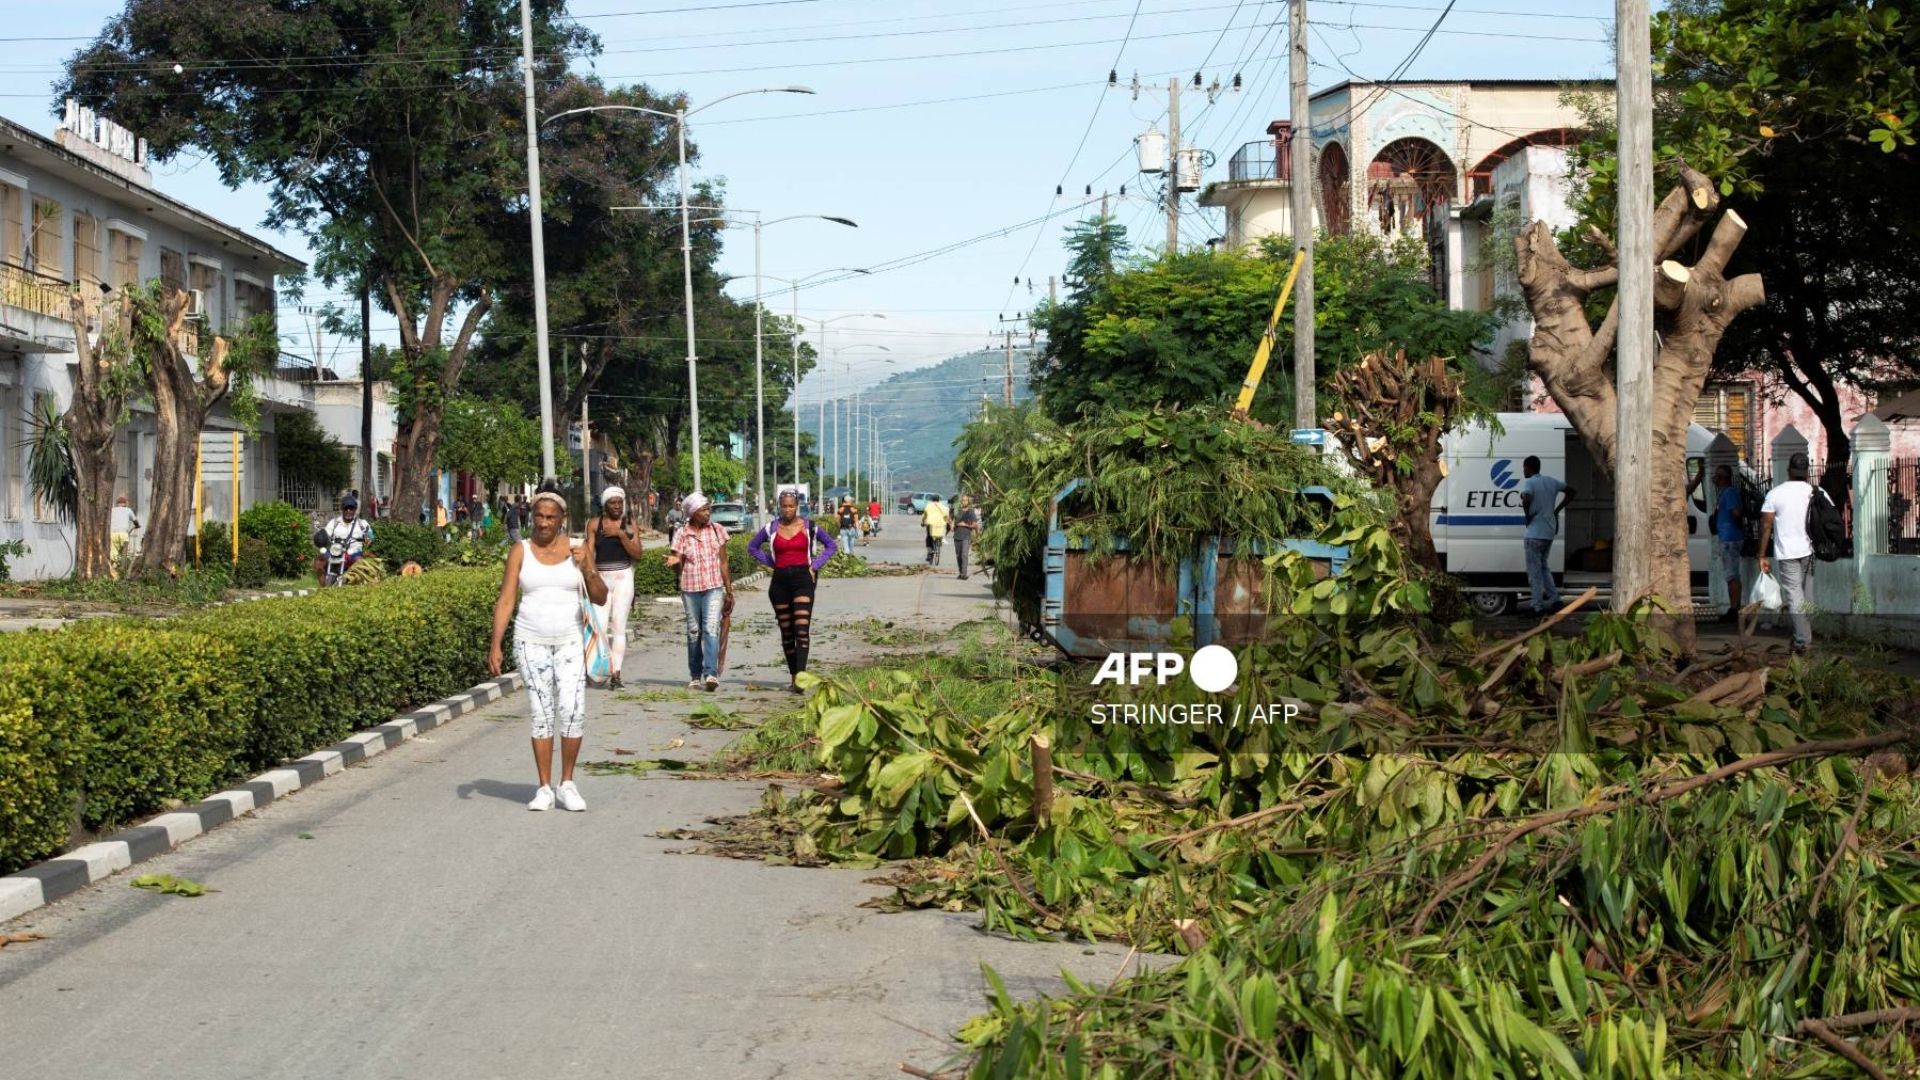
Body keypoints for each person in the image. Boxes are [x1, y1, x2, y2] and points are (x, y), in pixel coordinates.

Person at [488, 482, 607, 812]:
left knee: (572, 710)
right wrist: (495, 644)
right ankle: (543, 788)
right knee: (541, 713)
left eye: (550, 517)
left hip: (571, 640)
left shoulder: (578, 549)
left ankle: (567, 784)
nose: (543, 522)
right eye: (538, 516)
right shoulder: (520, 551)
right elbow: (506, 599)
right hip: (530, 642)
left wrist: (587, 567)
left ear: (561, 520)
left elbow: (600, 596)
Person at [747, 490, 839, 693]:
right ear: (779, 507)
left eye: (791, 506)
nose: (788, 509)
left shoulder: (809, 527)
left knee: (801, 630)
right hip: (779, 584)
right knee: (787, 632)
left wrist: (815, 566)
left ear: (797, 506)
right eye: (784, 506)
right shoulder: (771, 528)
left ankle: (801, 678)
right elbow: (752, 547)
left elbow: (831, 546)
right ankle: (793, 675)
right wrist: (772, 562)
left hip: (803, 581)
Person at [666, 493, 732, 691]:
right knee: (694, 631)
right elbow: (677, 561)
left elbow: (723, 562)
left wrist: (729, 590)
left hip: (713, 587)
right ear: (692, 513)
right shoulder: (681, 533)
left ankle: (711, 674)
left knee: (711, 628)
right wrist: (675, 562)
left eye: (708, 509)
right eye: (703, 510)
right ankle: (695, 675)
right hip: (690, 588)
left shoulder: (717, 530)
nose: (707, 513)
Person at [1758, 452, 1817, 655]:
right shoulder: (1816, 492)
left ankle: (1803, 641)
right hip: (1810, 551)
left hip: (1787, 553)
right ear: (1807, 471)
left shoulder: (1775, 494)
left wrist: (1761, 555)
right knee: (1807, 598)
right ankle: (1801, 636)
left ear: (1788, 470)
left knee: (1795, 597)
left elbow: (1766, 526)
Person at [586, 485, 643, 689]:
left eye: (620, 502)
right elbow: (589, 554)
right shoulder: (595, 524)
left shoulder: (629, 524)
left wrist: (620, 534)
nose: (617, 506)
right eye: (613, 502)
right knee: (599, 626)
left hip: (622, 578)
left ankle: (616, 674)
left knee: (618, 626)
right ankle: (600, 668)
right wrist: (590, 578)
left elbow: (637, 554)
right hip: (601, 578)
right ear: (605, 505)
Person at [1518, 456, 1574, 617]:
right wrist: (1557, 510)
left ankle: (1536, 607)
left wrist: (1528, 516)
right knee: (1543, 567)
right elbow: (1571, 492)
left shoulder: (1529, 482)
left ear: (1529, 468)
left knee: (1534, 572)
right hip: (1548, 532)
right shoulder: (1552, 482)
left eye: (1524, 467)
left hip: (1534, 533)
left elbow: (1526, 499)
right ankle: (1555, 600)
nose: (1523, 470)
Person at [1705, 464, 1745, 622]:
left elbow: (1736, 512)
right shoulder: (1723, 493)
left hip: (1730, 539)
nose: (1714, 479)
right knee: (1731, 574)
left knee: (1731, 575)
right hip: (1727, 537)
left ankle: (1734, 609)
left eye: (1717, 476)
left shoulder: (1729, 493)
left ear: (1723, 478)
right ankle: (1734, 607)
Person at [314, 494, 375, 584]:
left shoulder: (362, 524)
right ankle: (323, 587)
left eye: (351, 508)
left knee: (360, 562)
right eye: (346, 508)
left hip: (354, 553)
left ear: (355, 509)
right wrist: (320, 538)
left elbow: (370, 536)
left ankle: (358, 586)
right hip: (335, 552)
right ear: (342, 509)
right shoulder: (334, 523)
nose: (348, 511)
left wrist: (368, 539)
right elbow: (325, 534)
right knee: (319, 562)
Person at [952, 495, 981, 580]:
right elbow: (952, 520)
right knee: (958, 556)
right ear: (961, 501)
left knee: (964, 555)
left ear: (968, 502)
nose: (964, 502)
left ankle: (964, 574)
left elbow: (974, 525)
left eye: (966, 500)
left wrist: (965, 525)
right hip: (957, 536)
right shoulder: (957, 511)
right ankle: (961, 572)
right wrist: (951, 525)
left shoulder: (970, 511)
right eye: (963, 500)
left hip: (966, 536)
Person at [109, 495, 140, 569]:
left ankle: (114, 568)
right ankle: (122, 568)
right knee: (124, 552)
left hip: (113, 534)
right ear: (125, 503)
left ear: (117, 503)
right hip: (123, 534)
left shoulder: (112, 510)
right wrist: (137, 525)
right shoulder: (128, 510)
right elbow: (135, 521)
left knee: (114, 552)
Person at [921, 493, 950, 568]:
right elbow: (946, 516)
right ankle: (939, 542)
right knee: (940, 533)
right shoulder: (943, 506)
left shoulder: (928, 506)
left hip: (931, 524)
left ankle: (930, 551)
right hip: (940, 524)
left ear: (932, 500)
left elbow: (925, 515)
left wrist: (923, 522)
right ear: (939, 500)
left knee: (929, 537)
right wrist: (947, 523)